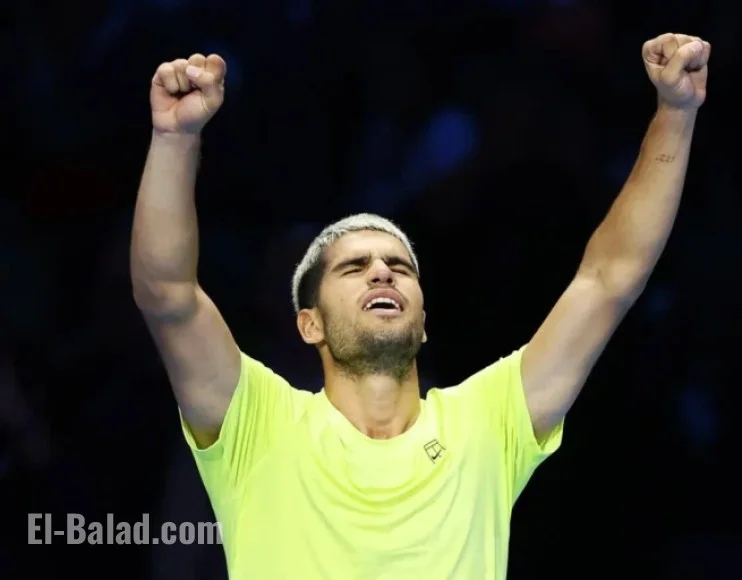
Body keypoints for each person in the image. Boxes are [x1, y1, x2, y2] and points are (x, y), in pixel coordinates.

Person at [131, 33, 711, 580]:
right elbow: (168, 295)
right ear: (310, 324)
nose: (382, 270)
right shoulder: (257, 426)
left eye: (399, 266)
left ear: (423, 321)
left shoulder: (487, 422)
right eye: (354, 268)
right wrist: (175, 139)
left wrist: (676, 114)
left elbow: (609, 279)